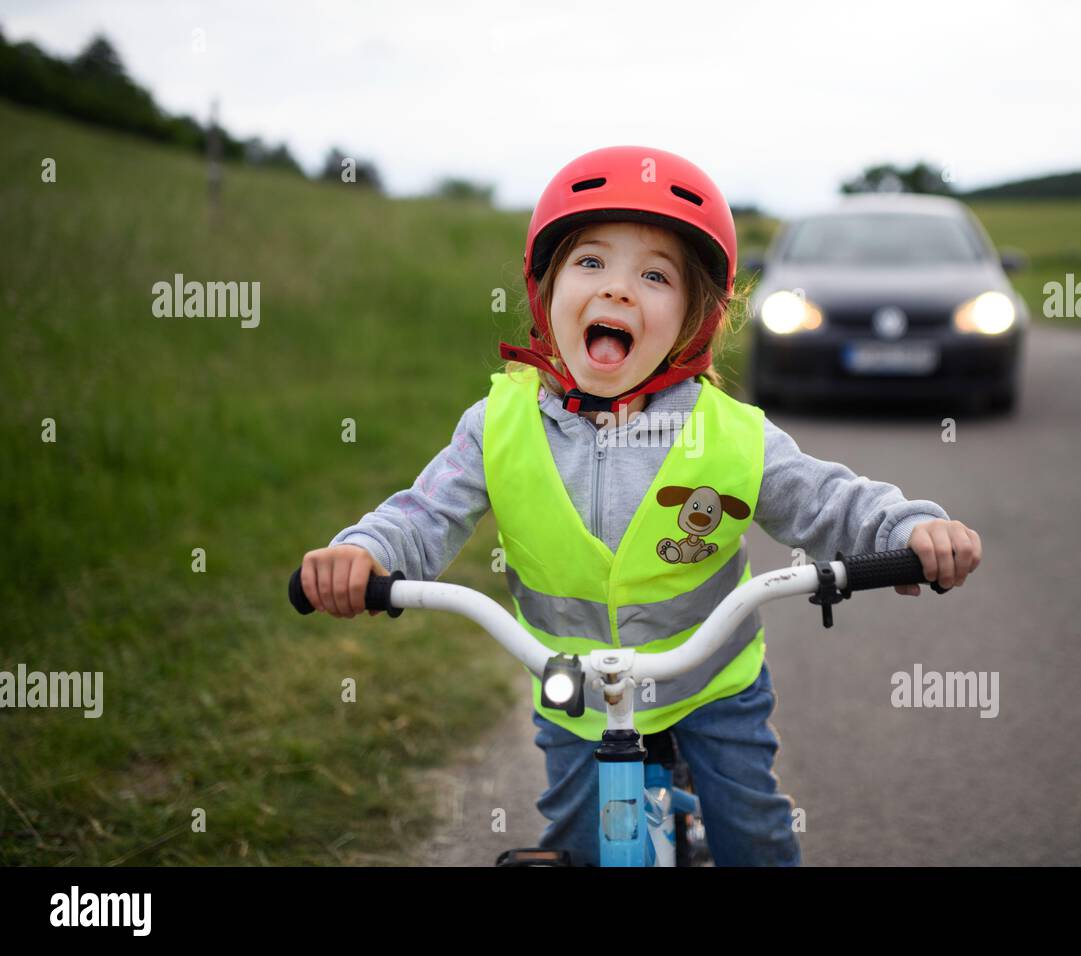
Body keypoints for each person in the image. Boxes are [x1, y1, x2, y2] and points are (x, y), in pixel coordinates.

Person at [297, 145, 982, 866]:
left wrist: (908, 529)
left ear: (692, 318)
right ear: (547, 288)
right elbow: (424, 513)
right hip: (578, 688)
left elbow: (827, 500)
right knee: (577, 846)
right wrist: (364, 553)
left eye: (655, 276)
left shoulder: (729, 434)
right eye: (590, 263)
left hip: (711, 681)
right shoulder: (497, 424)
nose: (618, 290)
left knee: (752, 836)